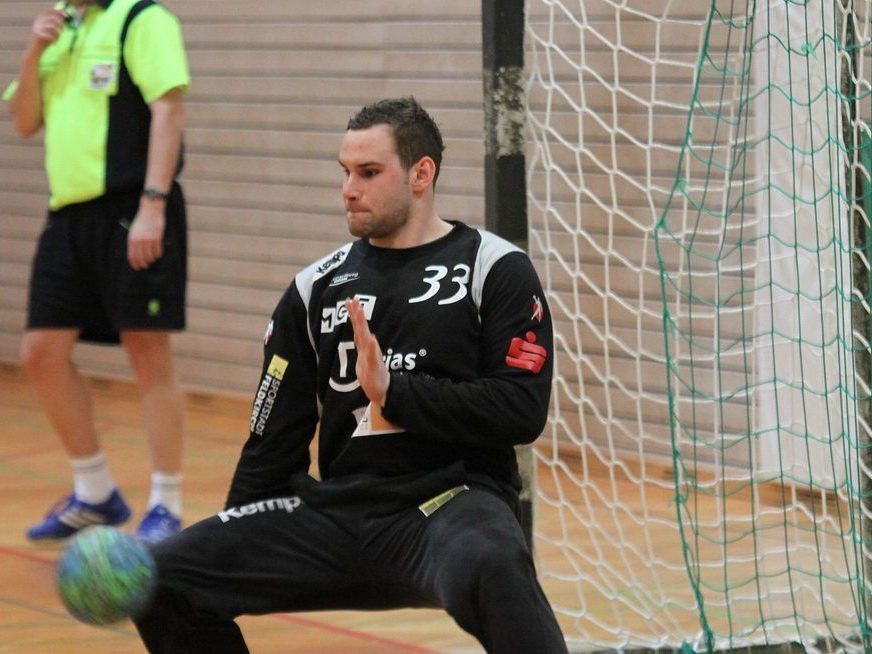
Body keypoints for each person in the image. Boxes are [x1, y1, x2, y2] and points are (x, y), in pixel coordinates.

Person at [133, 97, 568, 653]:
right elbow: (273, 439)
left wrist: (395, 391)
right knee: (159, 574)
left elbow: (520, 409)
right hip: (337, 516)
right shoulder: (316, 286)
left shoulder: (495, 268)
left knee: (494, 559)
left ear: (421, 174)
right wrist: (234, 542)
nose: (349, 189)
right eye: (345, 172)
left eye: (368, 173)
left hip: (447, 508)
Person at [3, 0, 190, 544]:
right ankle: (95, 493)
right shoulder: (59, 29)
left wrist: (153, 203)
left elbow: (169, 110)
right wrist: (34, 49)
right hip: (68, 217)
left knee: (146, 351)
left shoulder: (143, 19)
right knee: (40, 352)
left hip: (133, 206)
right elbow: (23, 121)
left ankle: (167, 505)